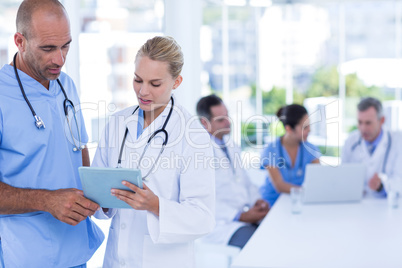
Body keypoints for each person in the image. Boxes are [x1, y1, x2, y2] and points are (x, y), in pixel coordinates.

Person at [92, 36, 215, 268]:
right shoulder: (117, 123)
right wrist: (102, 201)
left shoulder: (193, 134)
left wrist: (155, 205)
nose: (143, 91)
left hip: (163, 261)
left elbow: (203, 218)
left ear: (176, 82)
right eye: (138, 80)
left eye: (155, 84)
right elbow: (99, 194)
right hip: (116, 259)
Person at [0, 0, 104, 267]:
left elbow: (79, 148)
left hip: (76, 250)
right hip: (26, 254)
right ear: (20, 41)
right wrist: (47, 200)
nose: (60, 59)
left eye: (65, 45)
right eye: (47, 48)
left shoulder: (65, 84)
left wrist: (98, 193)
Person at [196, 94, 269, 249]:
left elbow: (244, 181)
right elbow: (200, 198)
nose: (228, 122)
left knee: (273, 232)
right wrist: (241, 216)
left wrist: (257, 200)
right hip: (221, 224)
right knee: (258, 245)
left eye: (227, 116)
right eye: (221, 119)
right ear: (204, 123)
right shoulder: (197, 153)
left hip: (243, 215)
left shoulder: (231, 145)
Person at [260, 104, 320, 207]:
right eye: (305, 127)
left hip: (300, 203)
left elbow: (318, 179)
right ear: (289, 129)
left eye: (309, 125)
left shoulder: (311, 150)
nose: (309, 130)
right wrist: (307, 191)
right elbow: (280, 186)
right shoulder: (270, 150)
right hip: (272, 205)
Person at [342, 97, 402, 197]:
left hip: (386, 207)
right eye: (360, 122)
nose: (363, 128)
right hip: (357, 205)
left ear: (382, 120)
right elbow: (342, 176)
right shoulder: (351, 142)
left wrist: (382, 185)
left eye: (368, 123)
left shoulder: (398, 141)